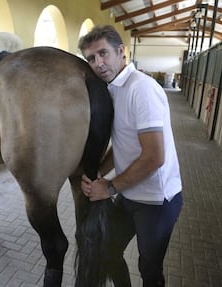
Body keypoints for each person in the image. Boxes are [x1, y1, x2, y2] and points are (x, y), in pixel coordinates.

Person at [78, 25, 183, 287]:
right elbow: (124, 143)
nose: (98, 64)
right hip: (131, 194)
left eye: (103, 53)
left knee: (149, 268)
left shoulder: (141, 89)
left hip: (156, 201)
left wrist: (110, 187)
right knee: (108, 251)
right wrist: (99, 173)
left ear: (121, 51)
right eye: (91, 58)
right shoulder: (112, 89)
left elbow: (154, 157)